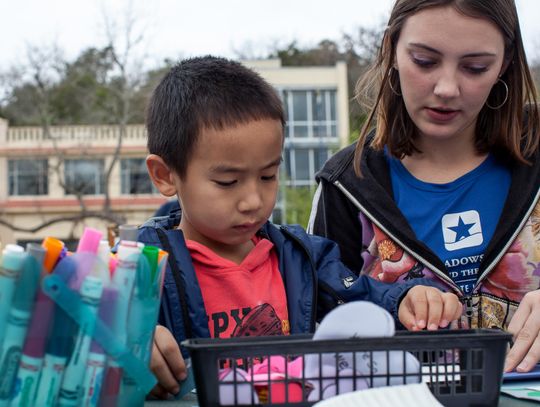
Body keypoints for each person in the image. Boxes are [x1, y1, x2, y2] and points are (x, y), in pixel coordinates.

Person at [138, 55, 462, 399]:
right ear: (165, 175)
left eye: (268, 176)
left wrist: (406, 300)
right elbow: (90, 339)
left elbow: (362, 298)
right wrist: (133, 346)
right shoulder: (139, 268)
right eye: (227, 181)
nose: (253, 200)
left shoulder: (300, 256)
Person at [307, 0, 539, 374]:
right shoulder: (345, 185)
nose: (447, 88)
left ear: (507, 62)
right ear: (392, 50)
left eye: (475, 67)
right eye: (425, 61)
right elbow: (314, 318)